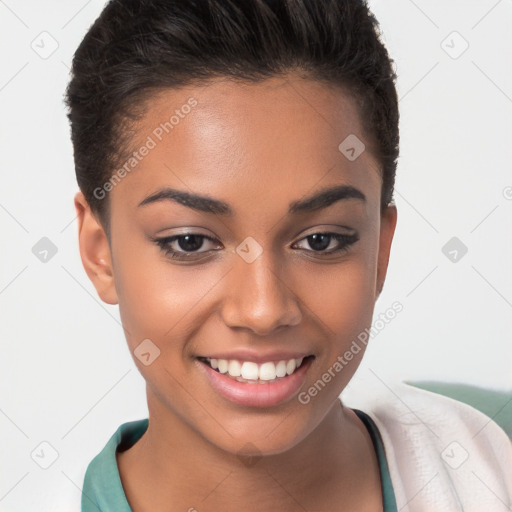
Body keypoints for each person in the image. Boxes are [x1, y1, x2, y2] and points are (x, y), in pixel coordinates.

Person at [64, 0, 512, 510]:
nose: (263, 310)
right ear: (100, 253)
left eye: (321, 240)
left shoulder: (490, 454)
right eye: (190, 241)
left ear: (380, 250)